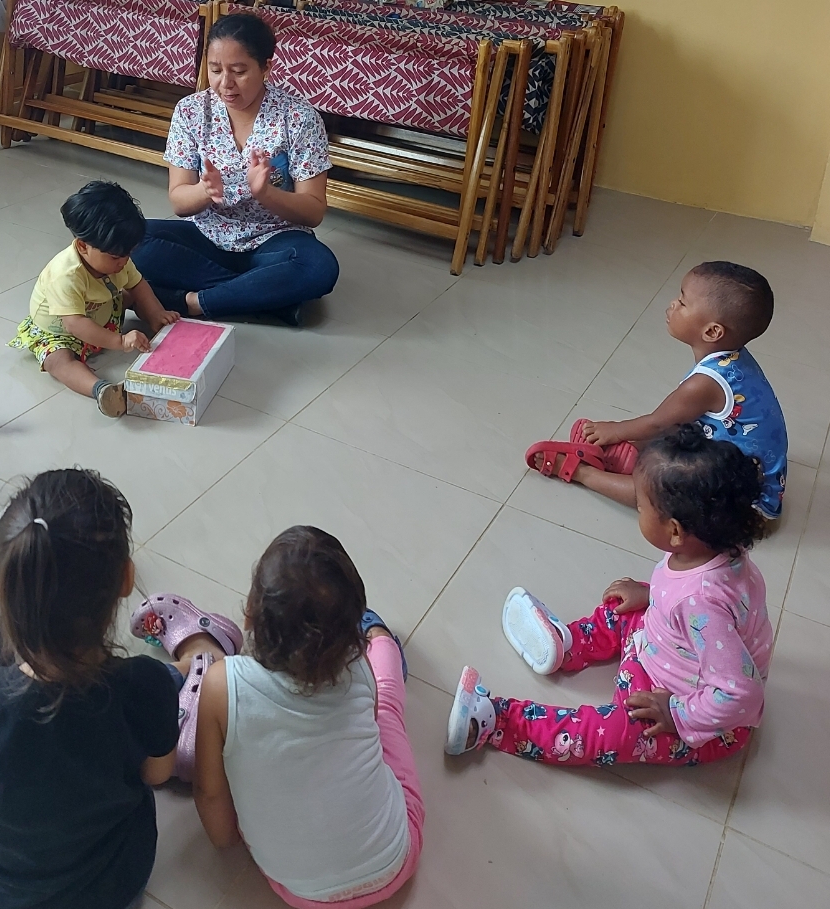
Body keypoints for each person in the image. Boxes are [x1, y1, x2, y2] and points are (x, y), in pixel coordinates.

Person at [0, 469, 180, 909]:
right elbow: (157, 774)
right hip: (117, 884)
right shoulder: (147, 684)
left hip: (10, 898)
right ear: (126, 578)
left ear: (2, 591)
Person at [446, 425, 771, 767]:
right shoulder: (710, 548)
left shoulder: (701, 602)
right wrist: (651, 596)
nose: (638, 511)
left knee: (603, 735)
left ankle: (497, 721)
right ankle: (566, 644)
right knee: (623, 608)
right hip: (662, 647)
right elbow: (701, 607)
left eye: (641, 506)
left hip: (689, 711)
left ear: (675, 530)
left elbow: (742, 695)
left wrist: (676, 713)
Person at [142, 527, 423, 909]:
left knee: (236, 747)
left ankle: (197, 663)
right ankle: (379, 636)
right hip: (394, 863)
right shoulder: (357, 666)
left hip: (300, 891)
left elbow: (209, 792)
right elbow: (372, 727)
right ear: (348, 640)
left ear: (249, 615)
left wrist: (227, 839)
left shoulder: (222, 684)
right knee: (387, 709)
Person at [525, 261, 787, 520]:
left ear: (711, 331)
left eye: (682, 302)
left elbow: (658, 422)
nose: (673, 304)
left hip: (743, 506)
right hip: (742, 468)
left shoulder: (704, 384)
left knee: (658, 492)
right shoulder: (734, 358)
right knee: (677, 429)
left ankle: (583, 472)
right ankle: (627, 453)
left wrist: (614, 430)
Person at [131, 12, 340, 327]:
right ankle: (264, 296)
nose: (225, 84)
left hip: (274, 241)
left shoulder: (299, 118)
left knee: (318, 267)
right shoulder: (191, 111)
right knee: (132, 240)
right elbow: (179, 202)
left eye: (239, 71)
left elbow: (313, 212)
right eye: (215, 70)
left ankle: (193, 302)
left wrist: (266, 194)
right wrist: (205, 191)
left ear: (266, 67)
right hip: (206, 237)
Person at [9, 181, 180, 417]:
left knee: (135, 295)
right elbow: (75, 324)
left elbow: (138, 285)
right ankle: (101, 390)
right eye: (115, 257)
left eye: (128, 254)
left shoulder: (119, 260)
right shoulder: (65, 275)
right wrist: (120, 341)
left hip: (102, 310)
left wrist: (155, 313)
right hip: (62, 331)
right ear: (83, 246)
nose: (123, 262)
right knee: (57, 360)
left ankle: (155, 322)